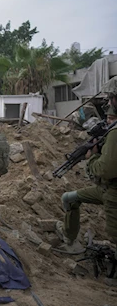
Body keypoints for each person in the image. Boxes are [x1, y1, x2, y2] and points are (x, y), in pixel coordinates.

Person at [56, 92, 117, 286]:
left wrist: (91, 157)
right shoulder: (111, 133)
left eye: (112, 117)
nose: (108, 121)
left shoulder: (115, 134)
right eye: (107, 117)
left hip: (113, 192)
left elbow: (105, 170)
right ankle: (70, 240)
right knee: (70, 198)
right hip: (106, 190)